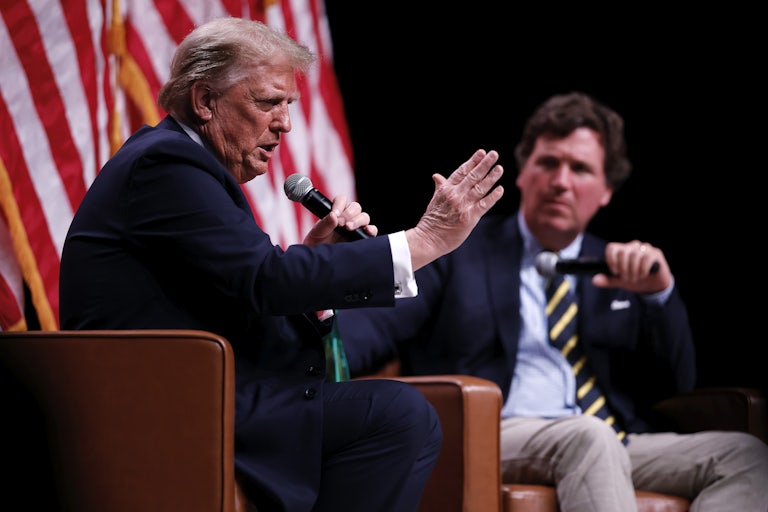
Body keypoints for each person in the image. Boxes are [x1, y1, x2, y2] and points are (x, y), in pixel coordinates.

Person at [58, 17, 505, 512]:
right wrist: (423, 242)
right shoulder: (165, 164)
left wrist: (317, 268)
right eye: (268, 102)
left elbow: (246, 292)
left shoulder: (187, 166)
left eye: (289, 104)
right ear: (204, 101)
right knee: (398, 415)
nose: (285, 123)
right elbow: (264, 281)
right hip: (167, 407)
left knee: (393, 415)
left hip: (203, 393)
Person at [337, 91, 768, 511]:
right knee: (589, 437)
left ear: (606, 190)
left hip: (613, 440)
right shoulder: (459, 251)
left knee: (744, 455)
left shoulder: (622, 266)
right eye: (548, 163)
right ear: (522, 173)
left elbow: (676, 387)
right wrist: (319, 338)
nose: (560, 182)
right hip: (495, 433)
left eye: (580, 169)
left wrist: (659, 297)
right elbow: (366, 333)